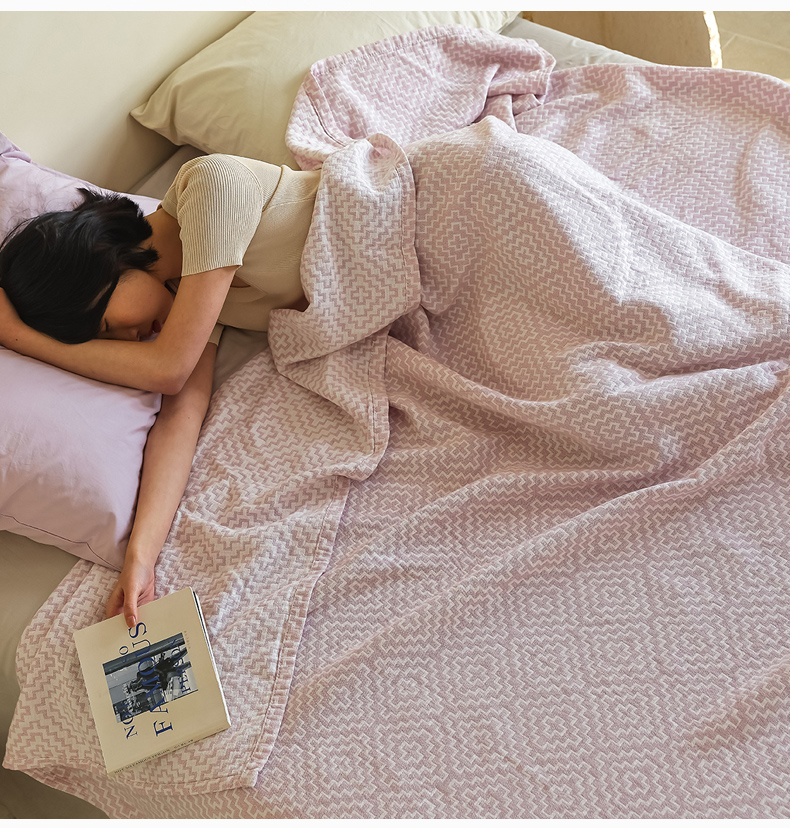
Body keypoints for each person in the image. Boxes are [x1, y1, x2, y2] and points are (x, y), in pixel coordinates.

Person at [0, 154, 320, 628]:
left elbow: (168, 371)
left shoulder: (213, 188)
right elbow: (177, 420)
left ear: (103, 264)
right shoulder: (186, 292)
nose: (127, 342)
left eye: (105, 326)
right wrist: (142, 557)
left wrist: (19, 338)